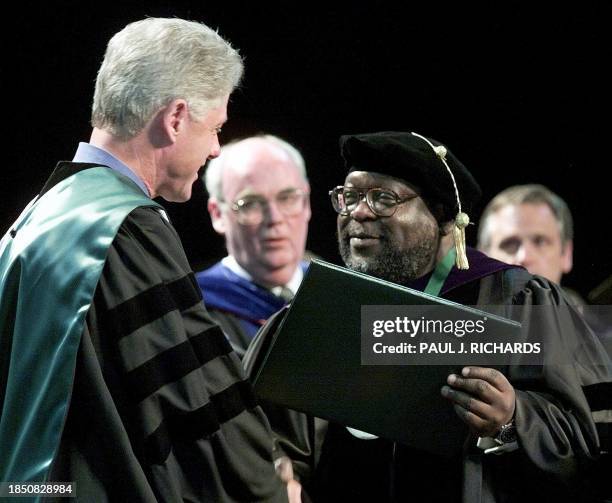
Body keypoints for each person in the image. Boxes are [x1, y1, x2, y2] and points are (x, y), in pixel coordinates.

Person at [0, 18, 300, 502]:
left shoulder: (38, 217)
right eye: (215, 128)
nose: (216, 148)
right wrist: (268, 482)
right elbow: (193, 408)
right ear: (176, 117)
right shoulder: (127, 229)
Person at [244, 131, 612, 502]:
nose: (358, 211)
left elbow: (593, 435)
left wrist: (513, 418)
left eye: (383, 198)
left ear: (440, 214)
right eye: (349, 197)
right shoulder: (318, 313)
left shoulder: (512, 298)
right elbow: (258, 432)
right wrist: (279, 470)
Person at [196, 135, 311, 358]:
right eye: (250, 204)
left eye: (287, 197)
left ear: (306, 203)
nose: (274, 218)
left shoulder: (337, 293)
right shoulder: (195, 311)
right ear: (218, 214)